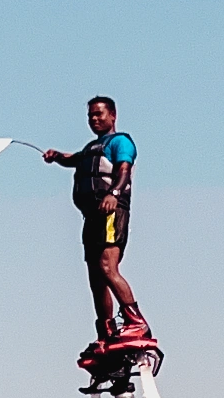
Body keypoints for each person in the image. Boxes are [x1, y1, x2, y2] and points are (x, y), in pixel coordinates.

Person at [44, 97, 152, 353]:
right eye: (90, 115)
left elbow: (124, 170)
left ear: (113, 115)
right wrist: (56, 156)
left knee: (107, 267)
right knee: (95, 277)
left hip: (111, 212)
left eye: (99, 114)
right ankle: (106, 331)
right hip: (91, 217)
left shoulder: (120, 142)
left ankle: (136, 322)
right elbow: (74, 160)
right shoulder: (92, 147)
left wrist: (113, 194)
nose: (94, 119)